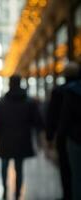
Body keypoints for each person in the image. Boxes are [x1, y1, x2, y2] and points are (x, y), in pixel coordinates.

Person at [0, 75, 43, 200]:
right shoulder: (29, 101)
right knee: (19, 168)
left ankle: (5, 190)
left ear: (9, 84)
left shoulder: (1, 102)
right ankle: (18, 193)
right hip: (22, 140)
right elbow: (37, 121)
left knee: (4, 166)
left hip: (5, 139)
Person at [46, 61, 80, 200]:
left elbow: (53, 115)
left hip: (67, 136)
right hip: (72, 134)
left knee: (66, 168)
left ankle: (68, 195)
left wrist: (50, 136)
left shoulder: (59, 91)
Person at [57, 62, 81, 200]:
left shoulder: (69, 92)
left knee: (75, 175)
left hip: (74, 138)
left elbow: (65, 118)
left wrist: (57, 137)